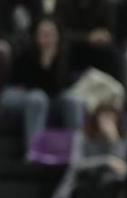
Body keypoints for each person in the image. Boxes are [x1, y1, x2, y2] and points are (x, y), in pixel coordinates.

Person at [1, 18, 83, 147]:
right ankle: (34, 151)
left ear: (57, 36)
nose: (47, 38)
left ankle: (76, 152)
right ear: (36, 36)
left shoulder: (63, 56)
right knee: (38, 98)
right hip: (19, 94)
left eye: (51, 34)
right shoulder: (27, 53)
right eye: (43, 34)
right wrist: (44, 64)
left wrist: (50, 63)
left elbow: (60, 88)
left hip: (50, 96)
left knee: (73, 100)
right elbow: (29, 84)